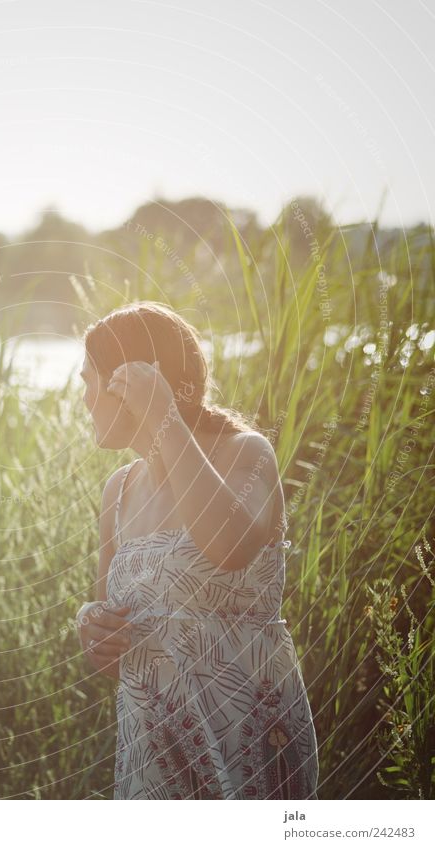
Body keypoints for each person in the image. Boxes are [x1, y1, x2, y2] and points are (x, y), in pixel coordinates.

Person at [75, 301, 319, 800]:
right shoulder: (118, 490)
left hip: (245, 733)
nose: (83, 399)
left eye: (88, 381)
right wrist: (89, 624)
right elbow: (111, 646)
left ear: (129, 380)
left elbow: (227, 546)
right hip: (153, 752)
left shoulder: (246, 454)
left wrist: (164, 415)